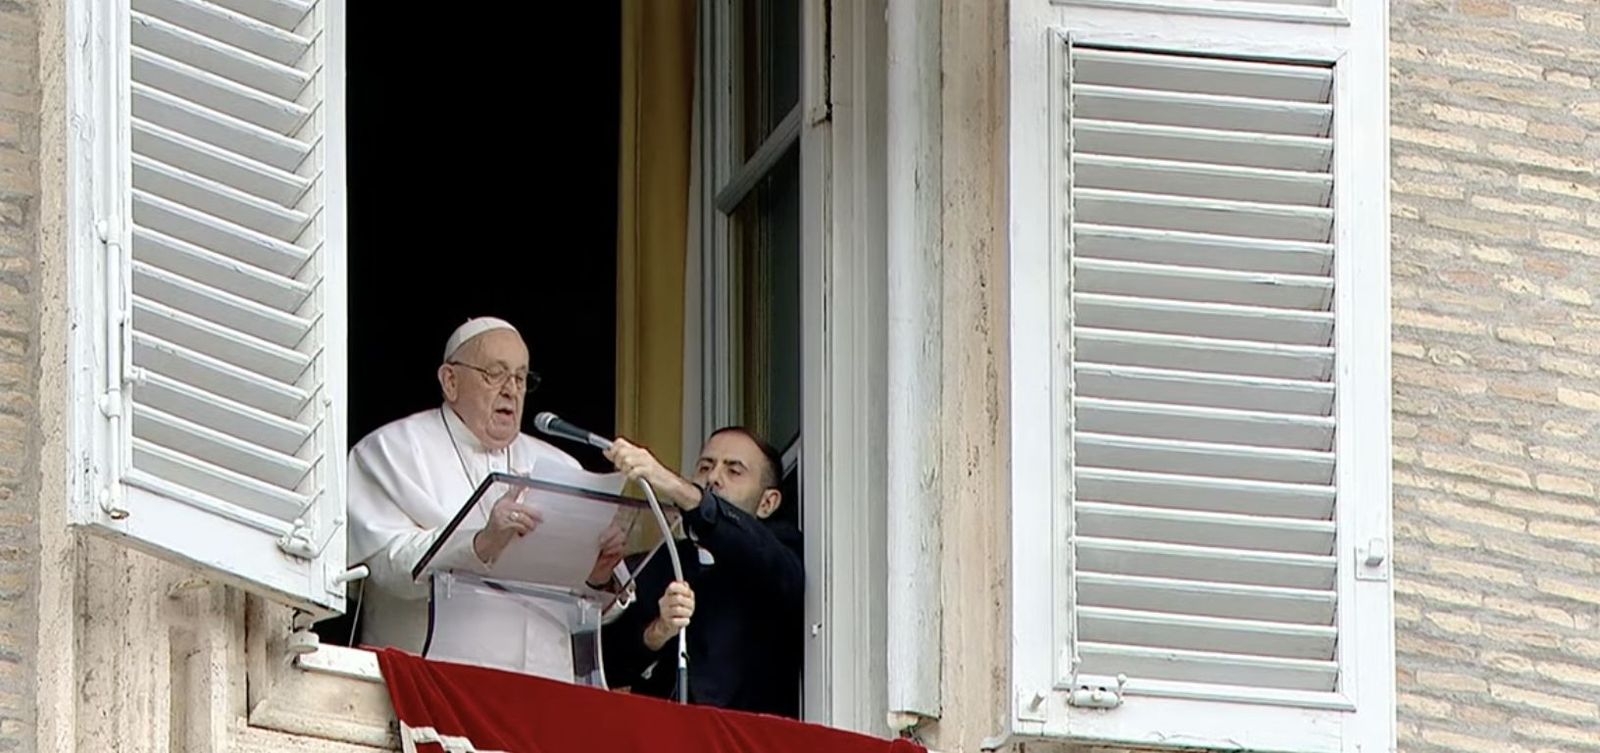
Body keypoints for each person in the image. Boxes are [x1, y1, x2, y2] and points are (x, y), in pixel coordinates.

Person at [345, 316, 636, 677]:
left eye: (520, 377)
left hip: (543, 689)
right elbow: (386, 569)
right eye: (494, 374)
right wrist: (480, 544)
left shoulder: (561, 466)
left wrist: (598, 575)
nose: (511, 390)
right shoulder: (391, 449)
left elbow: (596, 609)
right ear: (450, 381)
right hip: (428, 684)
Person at [600, 427, 804, 717]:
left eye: (734, 471)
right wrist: (657, 632)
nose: (713, 478)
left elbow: (763, 557)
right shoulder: (661, 560)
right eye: (705, 466)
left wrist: (675, 486)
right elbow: (604, 664)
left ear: (767, 503)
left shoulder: (781, 552)